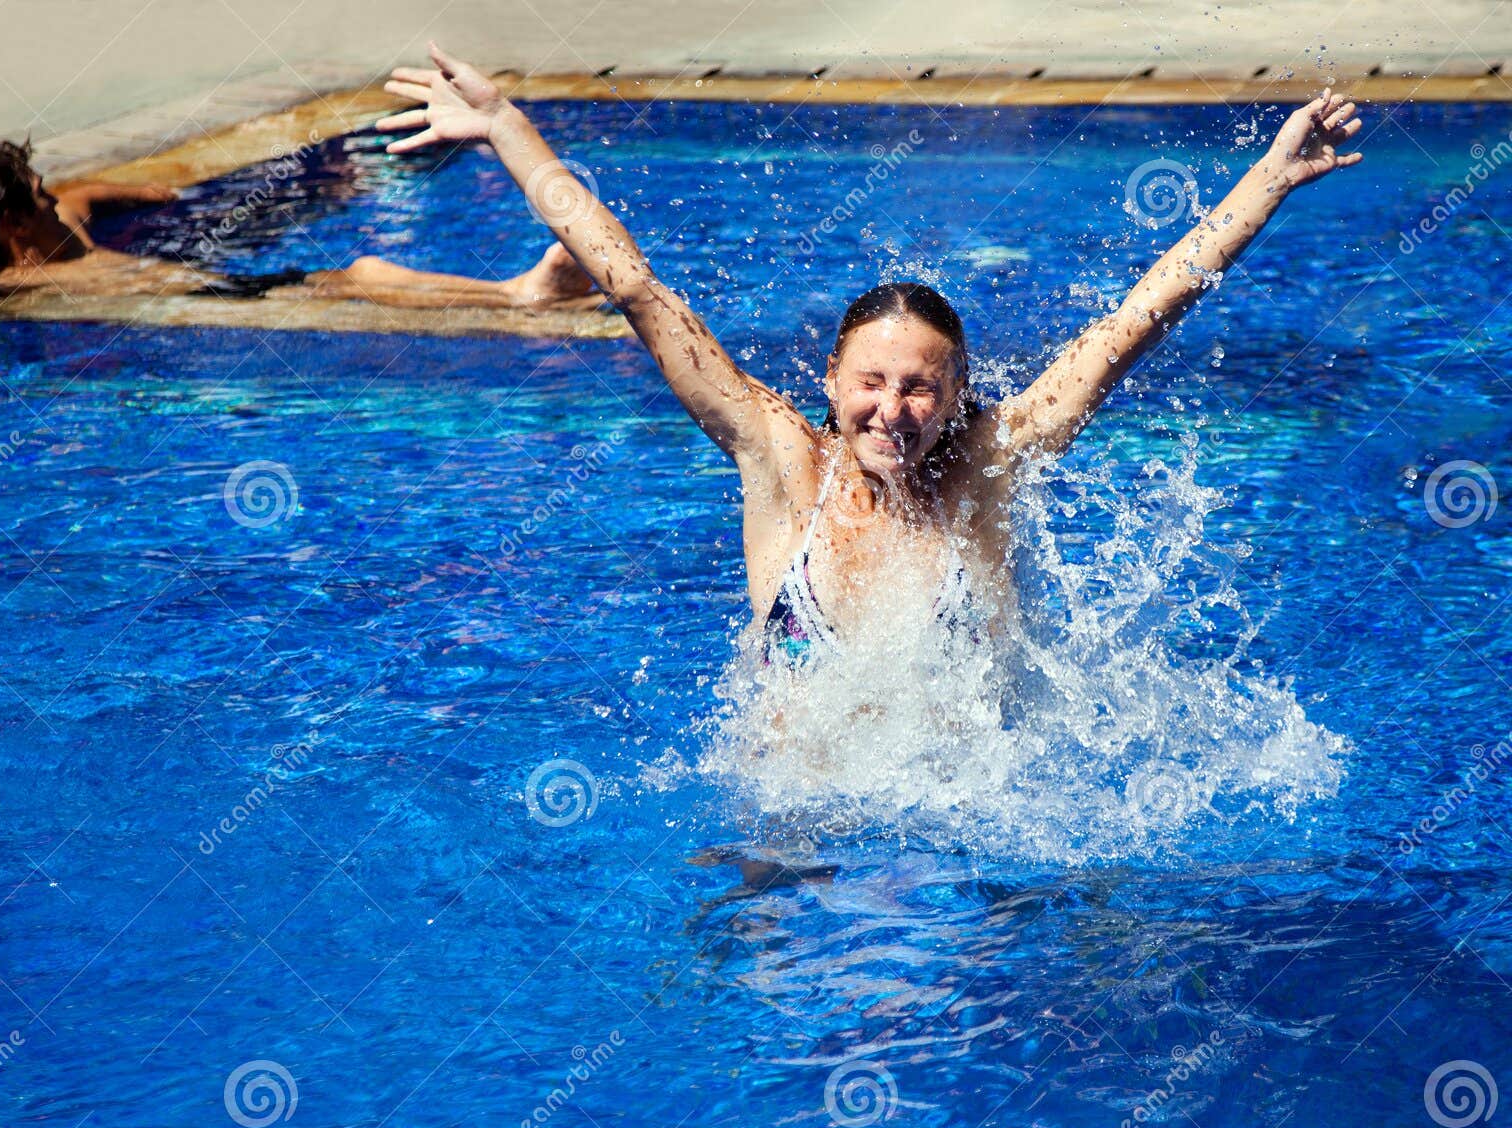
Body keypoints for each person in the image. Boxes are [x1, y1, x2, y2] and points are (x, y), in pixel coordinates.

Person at [379, 45, 1363, 667]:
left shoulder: (988, 461)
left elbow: (1133, 325)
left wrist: (1267, 182)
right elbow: (636, 289)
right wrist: (507, 128)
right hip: (787, 834)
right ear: (832, 386)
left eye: (920, 388)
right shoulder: (778, 458)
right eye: (873, 384)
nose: (893, 410)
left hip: (956, 846)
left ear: (955, 396)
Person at [0, 137, 600, 319]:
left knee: (359, 274)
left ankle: (521, 292)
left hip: (212, 284)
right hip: (202, 299)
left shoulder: (64, 228)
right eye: (39, 196)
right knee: (361, 279)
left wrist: (151, 191)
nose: (57, 199)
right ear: (11, 227)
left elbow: (90, 193)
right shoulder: (9, 286)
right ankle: (520, 295)